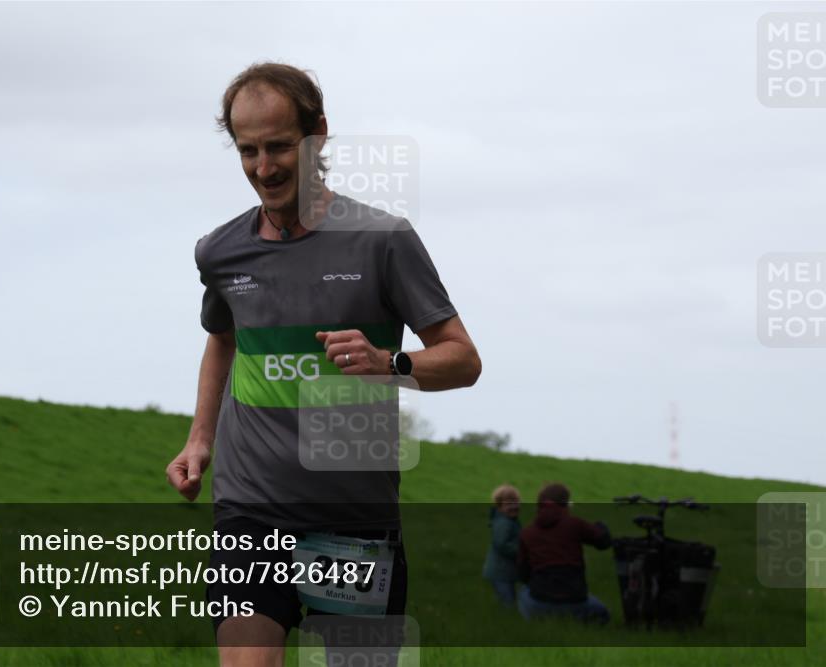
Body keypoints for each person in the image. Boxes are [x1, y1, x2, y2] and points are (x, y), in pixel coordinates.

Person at [165, 62, 482, 667]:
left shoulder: (382, 240)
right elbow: (222, 337)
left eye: (281, 146)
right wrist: (199, 438)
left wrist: (391, 363)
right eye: (248, 150)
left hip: (354, 519)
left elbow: (463, 359)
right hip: (251, 511)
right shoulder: (221, 251)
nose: (265, 168)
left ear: (319, 134)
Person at [516, 483, 611, 624]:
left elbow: (522, 574)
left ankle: (536, 622)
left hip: (541, 602)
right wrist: (601, 526)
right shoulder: (575, 524)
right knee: (603, 614)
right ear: (565, 504)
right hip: (576, 600)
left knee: (523, 592)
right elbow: (604, 542)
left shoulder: (526, 533)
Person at [482, 484, 522, 607]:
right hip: (500, 571)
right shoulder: (503, 523)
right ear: (499, 507)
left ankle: (499, 610)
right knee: (508, 601)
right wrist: (520, 551)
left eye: (516, 503)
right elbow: (502, 545)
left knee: (505, 597)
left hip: (504, 570)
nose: (514, 506)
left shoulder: (510, 521)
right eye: (509, 504)